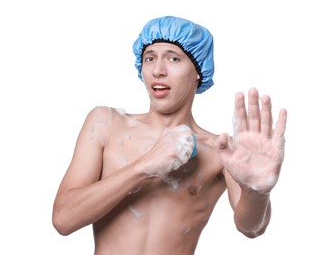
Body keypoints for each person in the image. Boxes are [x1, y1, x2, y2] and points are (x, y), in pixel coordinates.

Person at [52, 16, 287, 255]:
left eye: (173, 59)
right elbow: (63, 219)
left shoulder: (220, 151)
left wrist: (257, 191)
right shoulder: (106, 124)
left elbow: (251, 227)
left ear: (198, 70)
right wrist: (145, 165)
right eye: (150, 58)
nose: (158, 70)